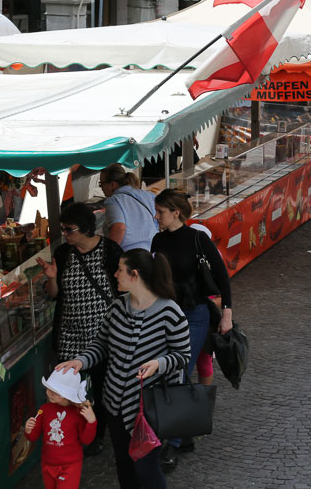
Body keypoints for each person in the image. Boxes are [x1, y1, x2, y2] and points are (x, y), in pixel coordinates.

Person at [57, 249, 191, 489]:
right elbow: (101, 344)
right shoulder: (118, 307)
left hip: (149, 410)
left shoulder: (171, 312)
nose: (115, 274)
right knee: (125, 470)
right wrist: (80, 361)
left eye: (120, 269)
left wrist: (158, 363)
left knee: (148, 472)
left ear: (134, 274)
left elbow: (183, 355)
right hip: (115, 407)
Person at [151, 189, 232, 468]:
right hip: (165, 315)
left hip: (195, 315)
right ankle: (183, 430)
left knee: (179, 369)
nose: (156, 216)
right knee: (171, 371)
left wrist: (226, 315)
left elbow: (222, 277)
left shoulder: (198, 239)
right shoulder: (158, 240)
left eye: (160, 211)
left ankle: (171, 443)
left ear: (176, 212)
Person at [37, 202, 120, 455]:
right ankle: (70, 434)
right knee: (68, 392)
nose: (65, 234)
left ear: (85, 228)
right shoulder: (63, 254)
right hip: (70, 334)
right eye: (62, 229)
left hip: (102, 336)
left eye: (69, 229)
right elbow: (54, 296)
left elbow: (120, 289)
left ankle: (96, 434)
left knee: (102, 388)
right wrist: (52, 278)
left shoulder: (109, 250)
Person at [25, 368, 97, 489]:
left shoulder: (78, 413)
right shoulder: (44, 410)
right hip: (48, 464)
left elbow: (86, 440)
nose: (49, 393)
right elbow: (33, 436)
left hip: (70, 465)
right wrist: (28, 429)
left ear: (67, 395)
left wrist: (91, 422)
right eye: (49, 389)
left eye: (56, 391)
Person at [99, 164, 157, 251]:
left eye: (102, 183)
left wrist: (110, 254)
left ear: (112, 185)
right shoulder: (149, 196)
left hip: (129, 255)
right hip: (152, 250)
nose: (101, 187)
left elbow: (118, 228)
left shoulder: (113, 201)